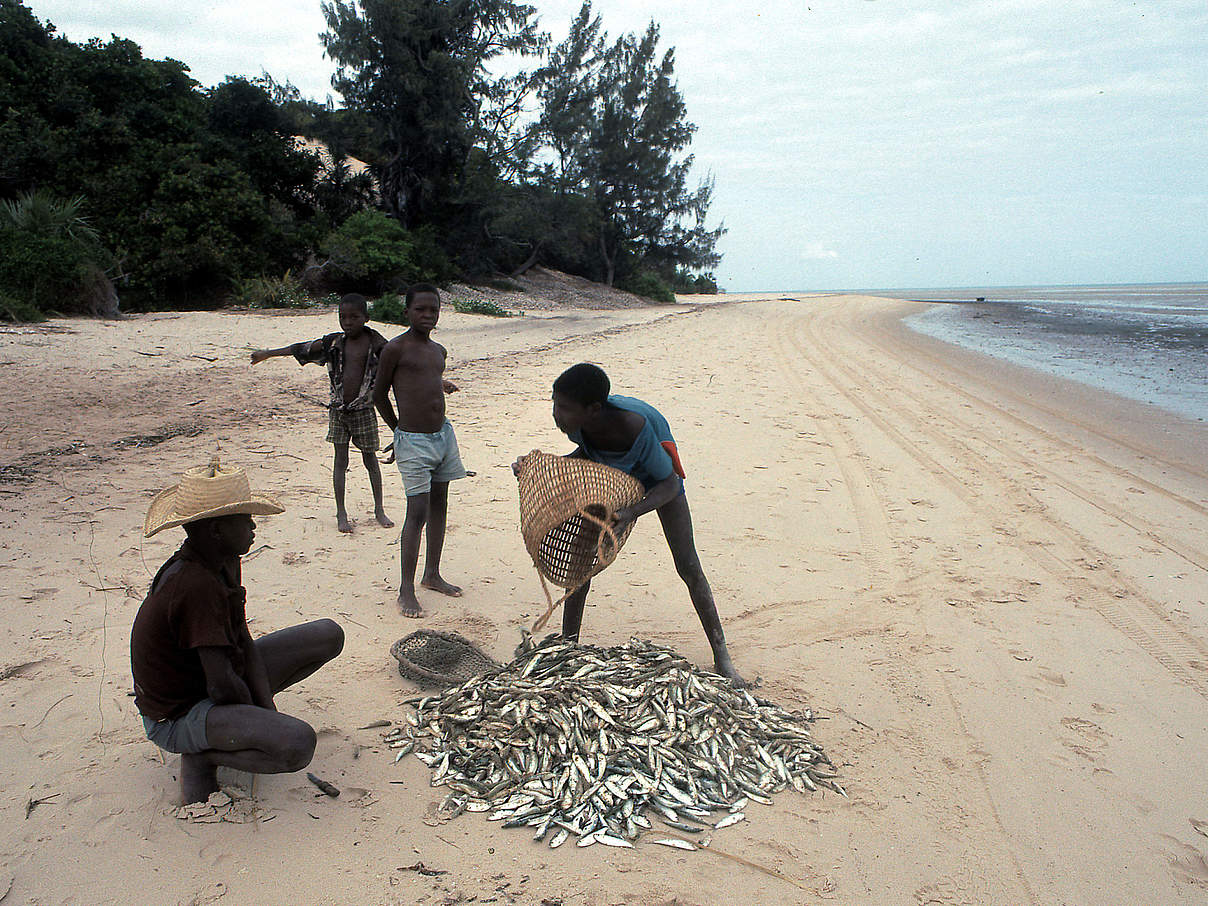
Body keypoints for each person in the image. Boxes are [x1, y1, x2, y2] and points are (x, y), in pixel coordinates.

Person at [513, 363, 747, 686]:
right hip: (611, 475)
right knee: (580, 565)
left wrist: (633, 511)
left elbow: (667, 482)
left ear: (593, 409)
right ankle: (569, 644)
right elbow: (588, 452)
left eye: (563, 408)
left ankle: (723, 658)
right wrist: (536, 467)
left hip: (659, 477)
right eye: (554, 403)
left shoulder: (634, 425)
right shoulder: (578, 424)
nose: (556, 413)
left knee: (689, 566)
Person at [131, 457, 344, 804]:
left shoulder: (224, 559)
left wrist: (264, 711)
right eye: (245, 520)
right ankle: (203, 757)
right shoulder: (193, 584)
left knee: (327, 634)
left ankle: (233, 730)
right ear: (216, 531)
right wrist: (260, 727)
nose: (253, 527)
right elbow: (220, 681)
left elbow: (241, 639)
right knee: (297, 744)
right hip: (175, 715)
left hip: (207, 680)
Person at [250, 293, 393, 534]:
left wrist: (437, 381)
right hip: (338, 412)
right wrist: (268, 354)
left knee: (371, 461)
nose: (348, 322)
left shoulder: (380, 346)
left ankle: (379, 508)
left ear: (366, 318)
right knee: (340, 461)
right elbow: (300, 348)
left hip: (365, 411)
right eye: (343, 317)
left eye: (354, 317)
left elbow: (405, 368)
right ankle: (341, 512)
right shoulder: (332, 344)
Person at [373, 283, 466, 618]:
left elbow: (425, 380)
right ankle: (406, 589)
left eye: (434, 310)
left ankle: (432, 574)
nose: (428, 315)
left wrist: (440, 386)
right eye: (420, 309)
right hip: (413, 441)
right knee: (417, 513)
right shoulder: (395, 349)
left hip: (443, 436)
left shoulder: (438, 351)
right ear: (406, 312)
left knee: (440, 505)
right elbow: (379, 393)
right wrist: (397, 429)